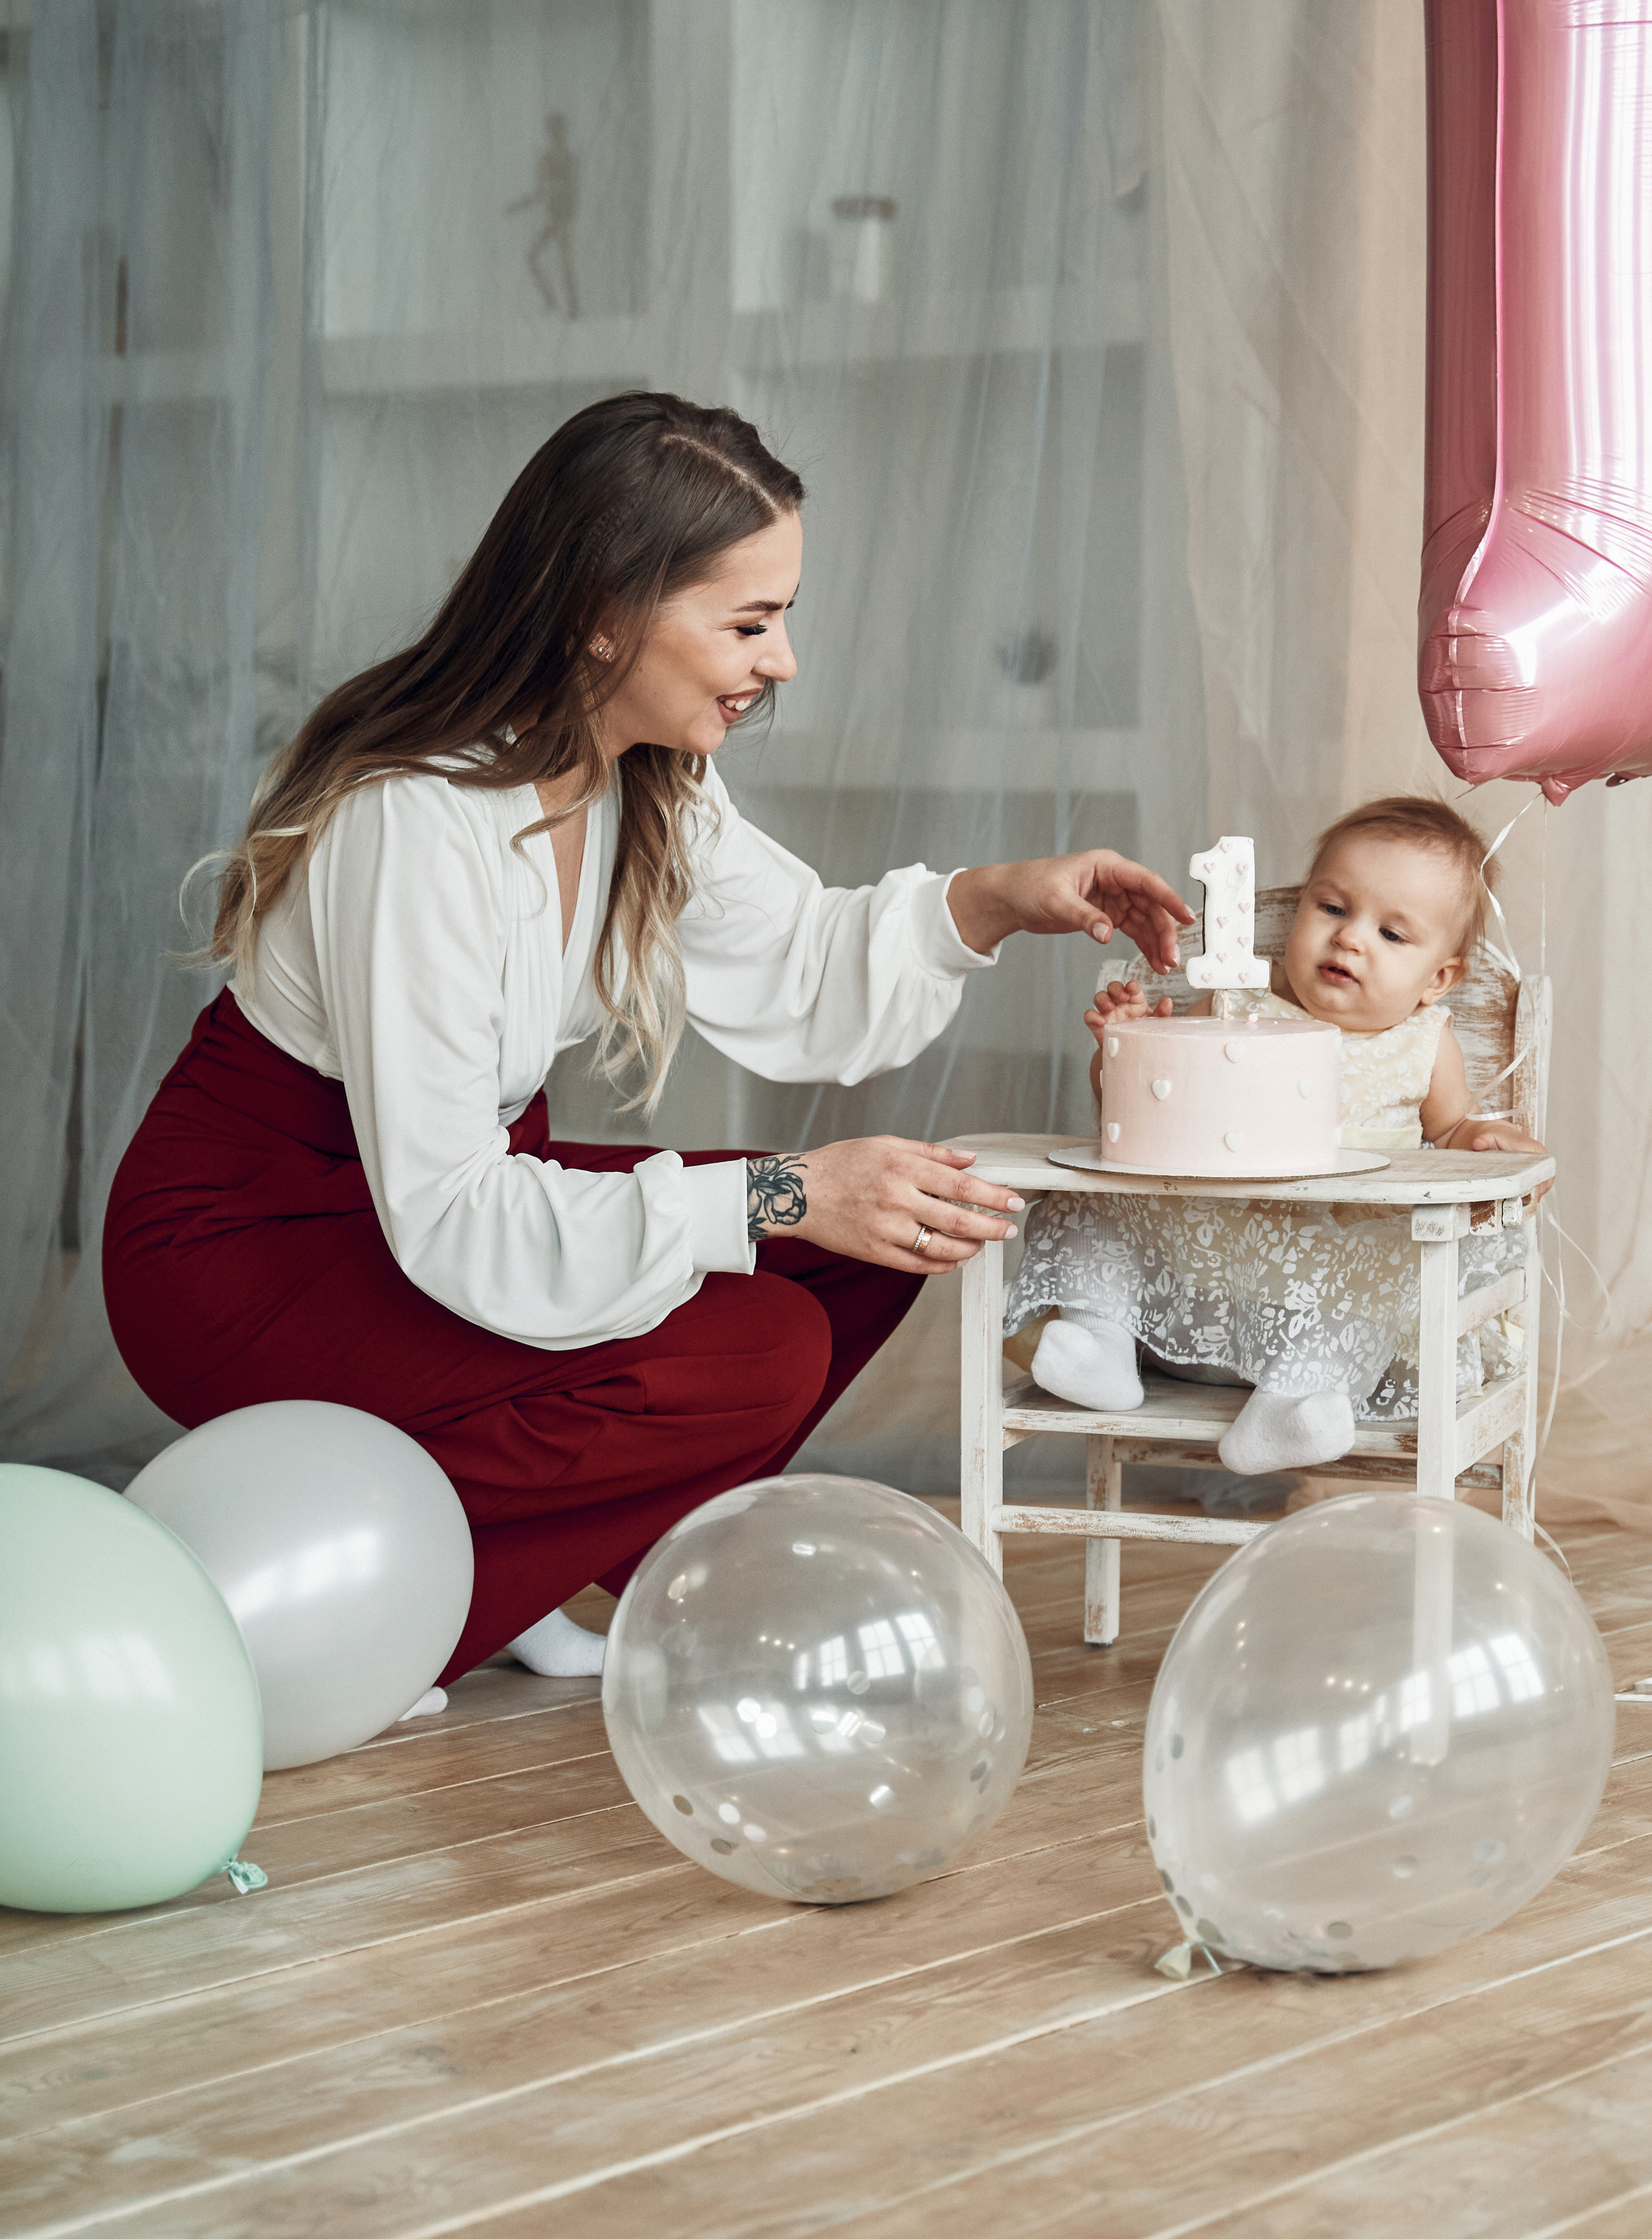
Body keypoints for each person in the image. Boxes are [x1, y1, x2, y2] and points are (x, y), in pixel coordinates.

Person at [103, 393, 1191, 1691]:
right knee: (767, 1329)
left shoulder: (641, 773)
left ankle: (500, 1563)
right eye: (749, 621)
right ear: (603, 612)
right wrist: (786, 1190)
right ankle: (414, 1594)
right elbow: (450, 1210)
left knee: (879, 1233)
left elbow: (804, 964)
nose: (782, 659)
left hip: (431, 1201)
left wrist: (997, 899)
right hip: (250, 1244)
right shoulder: (416, 820)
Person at [1005, 796, 1548, 1489]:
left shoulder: (1422, 1043)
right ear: (1298, 914)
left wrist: (1482, 1135)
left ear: (1438, 979)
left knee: (1368, 1284)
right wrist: (1123, 1047)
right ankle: (1101, 1344)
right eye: (1332, 909)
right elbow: (1142, 1105)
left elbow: (1449, 1127)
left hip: (1327, 1250)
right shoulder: (1238, 1007)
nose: (1351, 939)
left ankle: (1293, 1405)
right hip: (1207, 1245)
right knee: (1094, 1207)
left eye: (1392, 934)